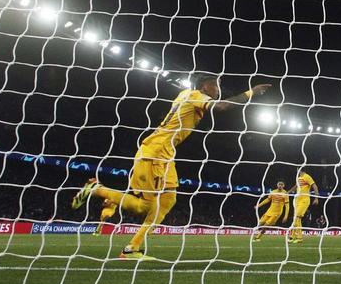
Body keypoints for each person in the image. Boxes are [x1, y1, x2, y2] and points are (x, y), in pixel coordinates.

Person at [72, 73, 274, 260]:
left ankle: (132, 248)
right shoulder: (195, 95)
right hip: (155, 153)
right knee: (145, 207)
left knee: (168, 199)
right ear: (204, 86)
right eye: (215, 84)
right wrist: (251, 92)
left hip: (165, 154)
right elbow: (221, 107)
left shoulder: (185, 94)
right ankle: (97, 190)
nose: (218, 88)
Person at [290, 168, 319, 243]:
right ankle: (293, 237)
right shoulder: (299, 178)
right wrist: (288, 192)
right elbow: (296, 186)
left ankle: (298, 237)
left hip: (304, 200)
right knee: (296, 218)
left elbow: (314, 186)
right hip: (297, 200)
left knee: (297, 217)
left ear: (299, 169)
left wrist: (316, 198)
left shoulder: (307, 176)